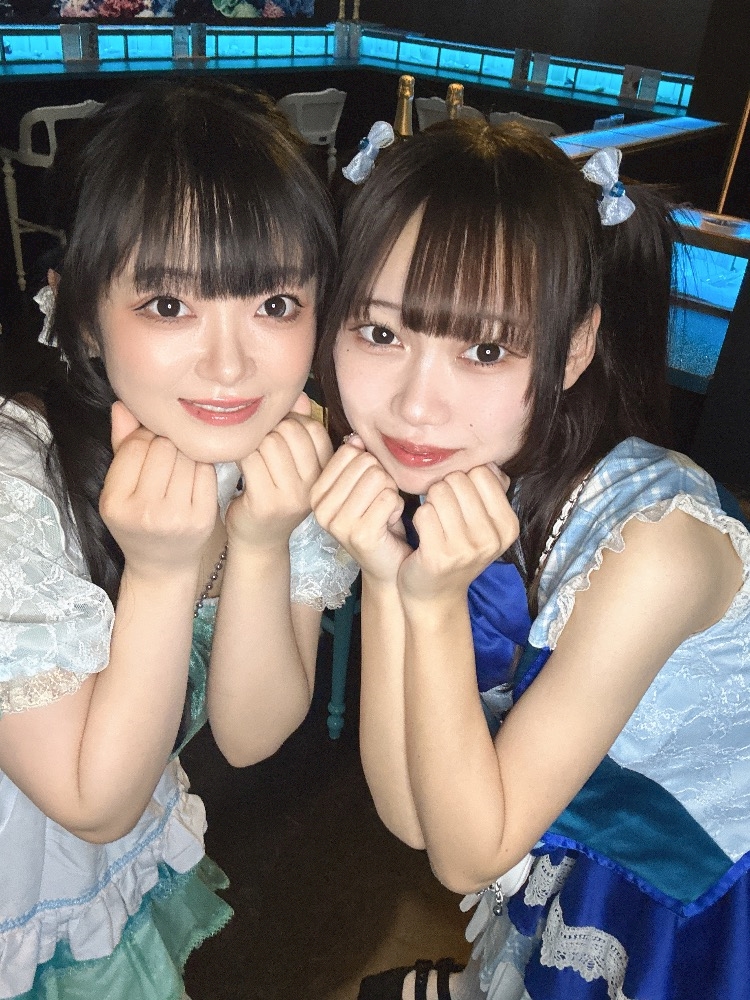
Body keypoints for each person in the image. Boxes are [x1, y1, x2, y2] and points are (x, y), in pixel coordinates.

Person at [311, 118, 750, 1000]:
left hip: (697, 884)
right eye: (381, 333)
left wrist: (429, 602)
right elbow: (413, 817)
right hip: (571, 825)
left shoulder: (656, 545)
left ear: (575, 347)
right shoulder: (473, 478)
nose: (416, 407)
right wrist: (391, 576)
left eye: (484, 349)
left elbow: (468, 855)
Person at [0, 80, 357, 1000]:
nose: (230, 364)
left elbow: (250, 734)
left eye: (275, 303)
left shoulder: (276, 455)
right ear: (81, 314)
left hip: (103, 870)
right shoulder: (15, 484)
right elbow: (91, 802)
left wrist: (264, 541)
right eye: (168, 305)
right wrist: (160, 575)